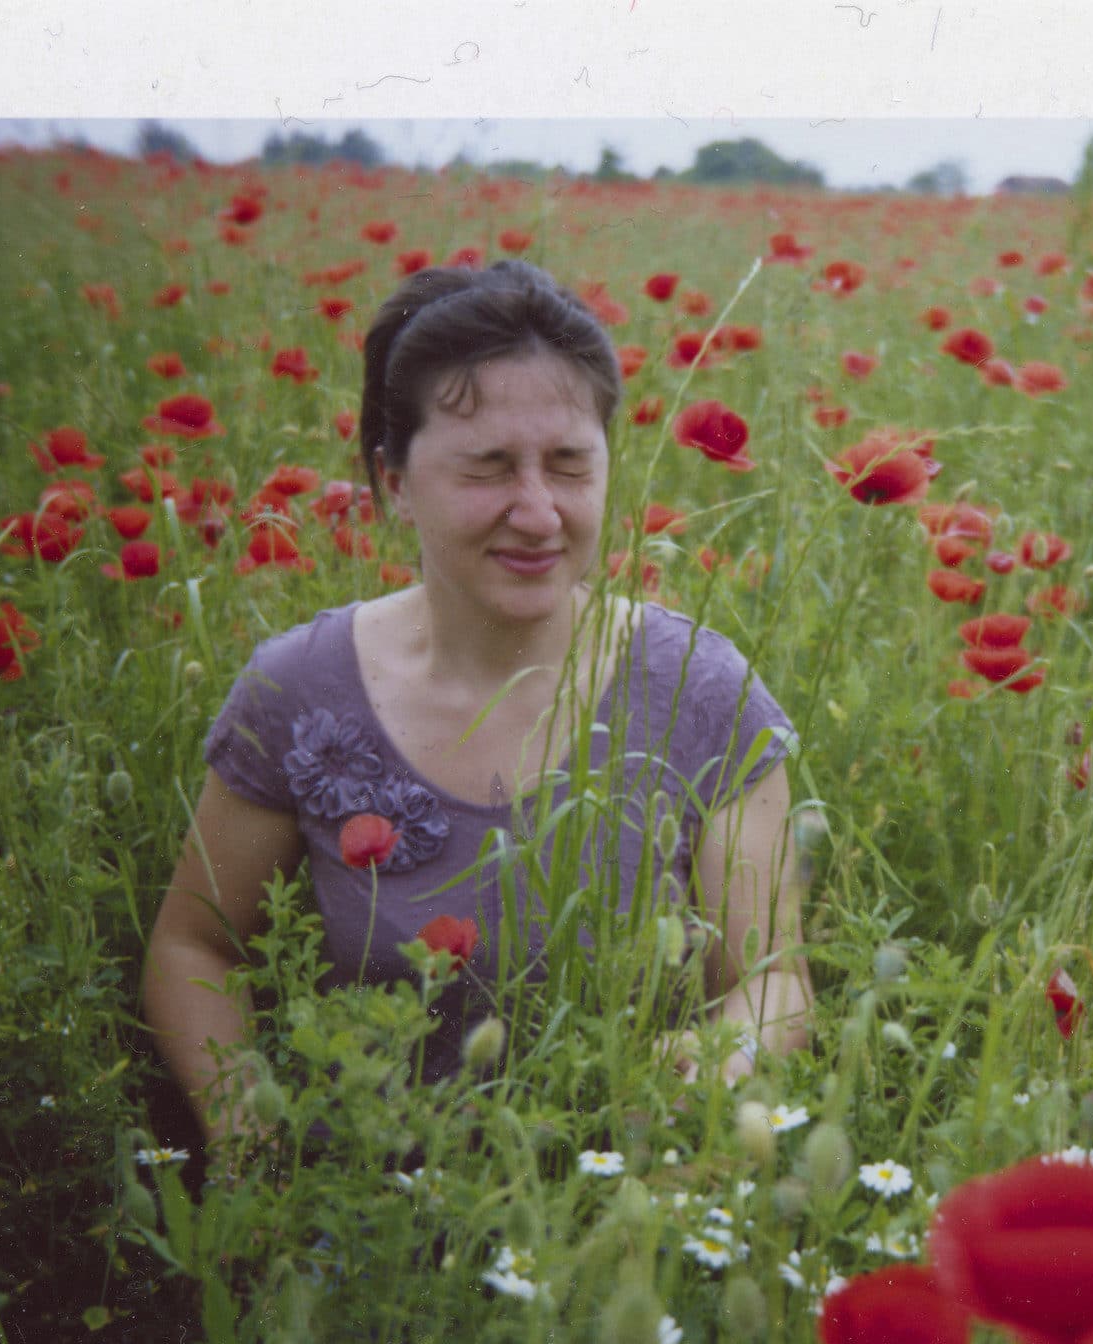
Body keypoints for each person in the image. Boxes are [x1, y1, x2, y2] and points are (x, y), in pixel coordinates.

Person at [142, 259, 812, 1153]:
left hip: (628, 1202)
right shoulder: (302, 689)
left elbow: (773, 979)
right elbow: (195, 949)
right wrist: (252, 1130)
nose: (537, 514)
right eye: (488, 468)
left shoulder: (700, 688)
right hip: (364, 1213)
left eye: (570, 465)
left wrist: (719, 1059)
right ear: (393, 483)